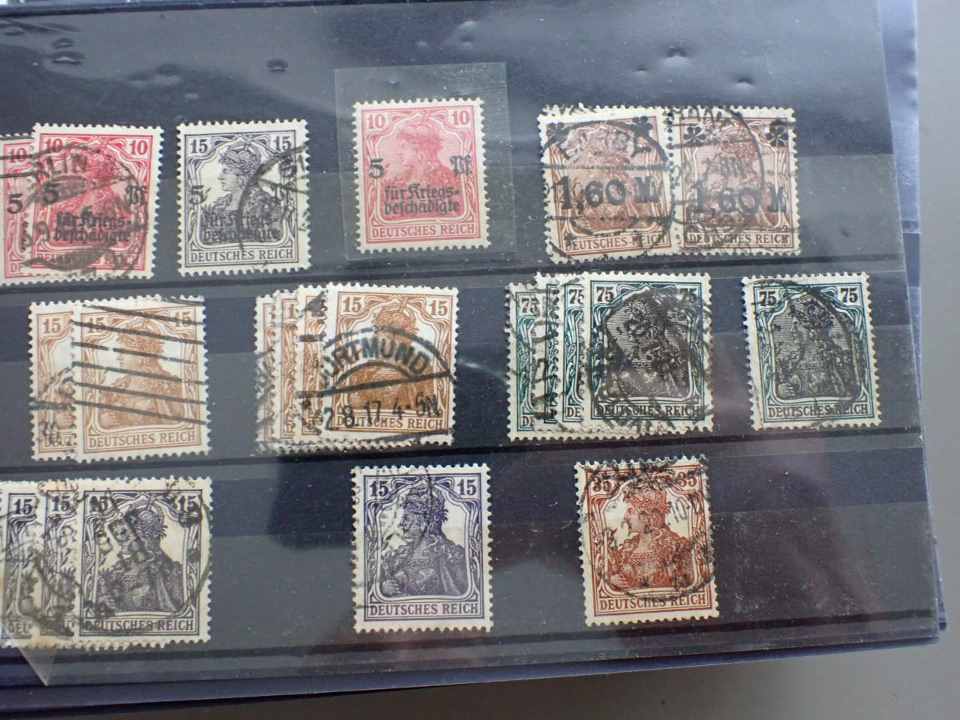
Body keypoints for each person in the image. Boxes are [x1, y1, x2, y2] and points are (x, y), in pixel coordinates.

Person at [379, 482, 468, 598]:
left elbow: (460, 591)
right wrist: (384, 588)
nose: (401, 524)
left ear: (424, 523)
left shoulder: (452, 556)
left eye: (406, 518)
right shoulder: (399, 555)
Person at [98, 317, 189, 430]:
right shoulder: (120, 385)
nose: (119, 357)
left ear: (142, 356)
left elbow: (173, 424)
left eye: (124, 352)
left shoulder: (168, 387)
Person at [99, 503, 184, 614]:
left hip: (153, 584)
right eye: (117, 534)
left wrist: (138, 570)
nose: (122, 536)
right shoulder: (125, 553)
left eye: (124, 531)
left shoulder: (145, 545)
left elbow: (157, 562)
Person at [607, 484, 695, 592]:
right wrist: (611, 581)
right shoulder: (627, 550)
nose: (625, 517)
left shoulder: (677, 548)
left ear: (646, 517)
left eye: (630, 511)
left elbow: (686, 585)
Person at [200, 142, 282, 244]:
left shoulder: (267, 204)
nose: (220, 177)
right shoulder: (220, 205)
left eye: (226, 171)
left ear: (242, 176)